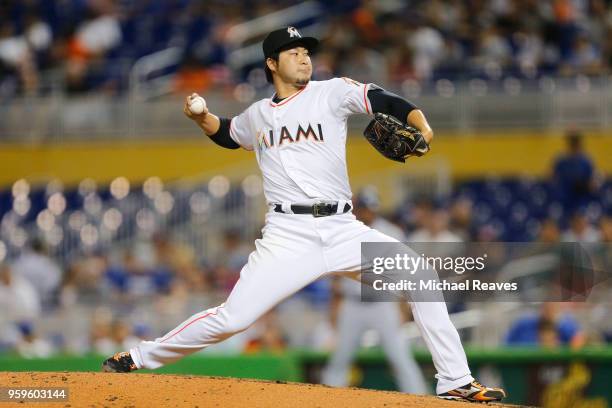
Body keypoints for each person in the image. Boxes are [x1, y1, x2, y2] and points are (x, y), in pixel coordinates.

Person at [102, 26, 505, 402]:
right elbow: (228, 133)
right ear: (271, 64)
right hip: (287, 234)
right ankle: (137, 357)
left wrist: (423, 127)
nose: (303, 58)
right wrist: (200, 118)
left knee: (420, 276)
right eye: (292, 52)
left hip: (343, 228)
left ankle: (455, 382)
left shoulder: (330, 92)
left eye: (305, 52)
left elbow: (386, 101)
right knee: (232, 318)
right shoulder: (258, 114)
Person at [321, 189, 428, 394]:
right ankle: (328, 398)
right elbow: (336, 276)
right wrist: (334, 307)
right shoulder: (345, 230)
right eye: (364, 208)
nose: (368, 212)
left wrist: (403, 306)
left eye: (371, 208)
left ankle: (419, 398)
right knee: (341, 356)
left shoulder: (391, 232)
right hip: (352, 304)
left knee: (399, 356)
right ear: (357, 208)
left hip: (383, 303)